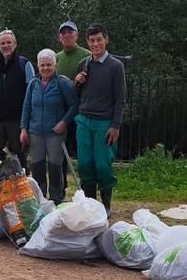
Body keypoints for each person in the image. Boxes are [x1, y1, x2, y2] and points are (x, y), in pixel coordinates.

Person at [73, 24, 126, 212]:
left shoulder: (115, 66)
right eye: (92, 40)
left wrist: (116, 125)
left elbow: (120, 99)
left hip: (105, 122)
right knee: (85, 164)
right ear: (87, 42)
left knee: (103, 165)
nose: (96, 44)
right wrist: (76, 83)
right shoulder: (84, 64)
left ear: (106, 40)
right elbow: (78, 95)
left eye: (99, 39)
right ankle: (90, 206)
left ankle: (105, 205)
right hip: (84, 120)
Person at [20, 49, 77, 203]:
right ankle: (40, 197)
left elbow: (74, 106)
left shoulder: (62, 83)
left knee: (55, 165)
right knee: (37, 165)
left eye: (49, 65)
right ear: (38, 66)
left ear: (55, 65)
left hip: (55, 133)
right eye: (42, 65)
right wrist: (24, 128)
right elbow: (26, 107)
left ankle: (56, 197)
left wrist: (64, 122)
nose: (45, 68)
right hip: (35, 132)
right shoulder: (33, 83)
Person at [0, 29, 34, 163]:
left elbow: (31, 90)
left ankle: (21, 181)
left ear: (15, 44)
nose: (6, 46)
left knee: (19, 154)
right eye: (2, 43)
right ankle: (1, 182)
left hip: (17, 118)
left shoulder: (24, 63)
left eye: (9, 42)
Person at [54, 21, 90, 174]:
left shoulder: (87, 56)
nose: (67, 35)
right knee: (59, 153)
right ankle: (61, 189)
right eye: (63, 33)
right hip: (60, 113)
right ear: (59, 37)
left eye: (70, 32)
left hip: (80, 112)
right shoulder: (55, 58)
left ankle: (86, 187)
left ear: (77, 35)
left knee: (82, 151)